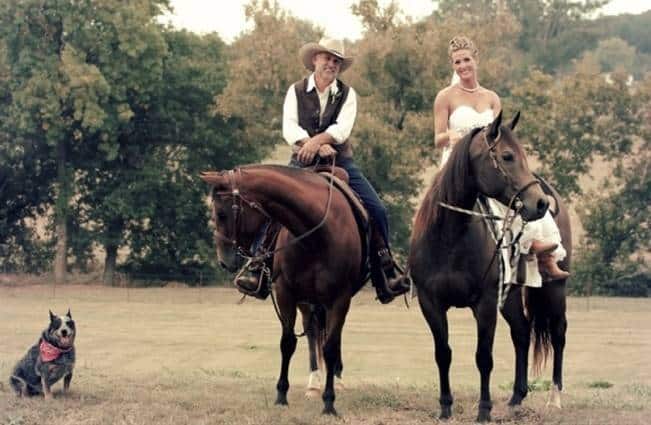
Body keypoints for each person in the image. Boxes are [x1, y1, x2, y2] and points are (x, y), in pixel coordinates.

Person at [236, 37, 410, 303]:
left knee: (377, 209)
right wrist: (311, 144)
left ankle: (384, 269)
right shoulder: (295, 91)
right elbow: (289, 127)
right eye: (328, 58)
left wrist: (320, 141)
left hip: (339, 161)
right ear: (315, 59)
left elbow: (342, 129)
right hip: (302, 161)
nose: (332, 64)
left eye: (337, 60)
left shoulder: (347, 94)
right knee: (274, 206)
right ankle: (258, 265)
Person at [433, 35, 570, 283]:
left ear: (476, 60)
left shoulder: (492, 98)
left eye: (466, 60)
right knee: (431, 206)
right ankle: (423, 262)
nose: (462, 66)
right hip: (457, 166)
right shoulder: (445, 97)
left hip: (487, 165)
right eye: (457, 62)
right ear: (452, 65)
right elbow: (437, 138)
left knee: (522, 191)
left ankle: (542, 253)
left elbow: (501, 136)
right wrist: (453, 136)